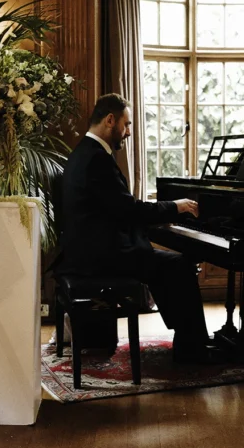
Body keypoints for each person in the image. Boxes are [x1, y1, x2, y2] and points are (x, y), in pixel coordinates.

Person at [59, 93, 223, 364]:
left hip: (89, 250)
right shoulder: (97, 158)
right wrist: (175, 207)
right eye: (127, 124)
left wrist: (156, 217)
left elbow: (117, 208)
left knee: (166, 265)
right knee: (179, 265)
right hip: (101, 256)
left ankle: (188, 339)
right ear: (110, 120)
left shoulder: (84, 153)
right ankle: (193, 350)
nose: (129, 132)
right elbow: (129, 209)